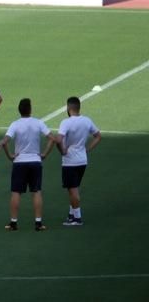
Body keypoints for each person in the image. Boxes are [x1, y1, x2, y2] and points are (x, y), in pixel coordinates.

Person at [0, 98, 54, 232]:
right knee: (36, 192)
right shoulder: (38, 123)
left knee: (16, 192)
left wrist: (9, 155)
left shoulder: (15, 124)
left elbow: (5, 141)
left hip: (20, 162)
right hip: (35, 161)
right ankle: (38, 223)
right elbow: (52, 138)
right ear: (30, 109)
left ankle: (13, 223)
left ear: (19, 110)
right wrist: (45, 153)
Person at [56, 96, 102, 226]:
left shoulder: (66, 122)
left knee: (73, 190)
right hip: (82, 160)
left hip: (70, 161)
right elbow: (98, 136)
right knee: (73, 188)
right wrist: (87, 149)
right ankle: (71, 215)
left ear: (69, 108)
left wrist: (62, 150)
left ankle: (77, 218)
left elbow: (58, 139)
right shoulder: (87, 121)